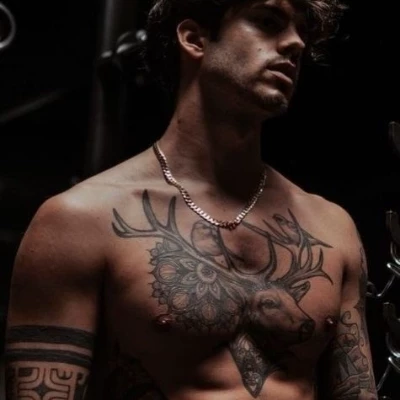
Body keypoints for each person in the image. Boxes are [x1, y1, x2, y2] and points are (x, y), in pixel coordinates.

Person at [4, 0, 378, 399]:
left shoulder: (330, 228)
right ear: (194, 39)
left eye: (301, 31)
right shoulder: (79, 221)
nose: (296, 43)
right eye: (268, 22)